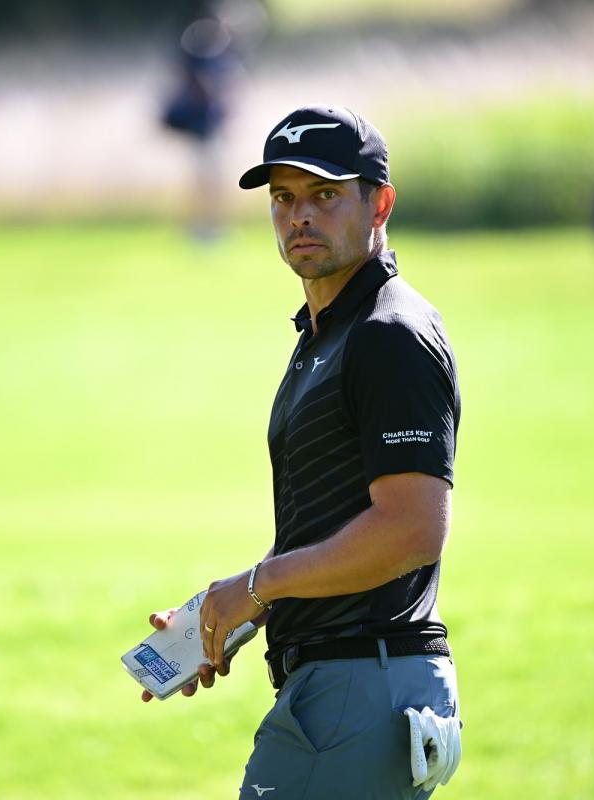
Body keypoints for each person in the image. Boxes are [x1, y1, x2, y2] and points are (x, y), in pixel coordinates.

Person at [140, 105, 463, 799]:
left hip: (361, 690)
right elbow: (333, 519)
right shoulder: (326, 335)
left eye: (324, 194)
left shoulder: (388, 333)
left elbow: (411, 530)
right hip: (343, 684)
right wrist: (234, 612)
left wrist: (259, 585)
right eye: (282, 198)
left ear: (380, 202)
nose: (299, 217)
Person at [160, 6, 241, 242]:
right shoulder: (202, 51)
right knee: (206, 180)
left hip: (212, 127)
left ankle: (209, 227)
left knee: (211, 180)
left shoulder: (218, 52)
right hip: (202, 127)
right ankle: (202, 228)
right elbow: (207, 87)